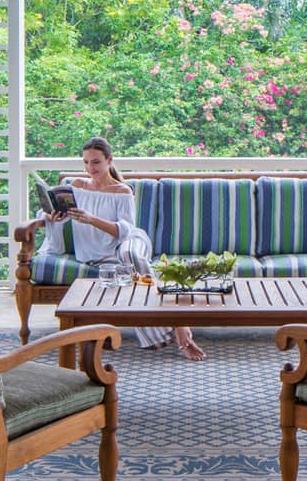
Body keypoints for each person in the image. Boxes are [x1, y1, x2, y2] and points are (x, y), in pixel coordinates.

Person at [37, 136, 206, 361]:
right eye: (86, 162)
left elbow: (125, 231)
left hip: (129, 241)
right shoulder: (76, 186)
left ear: (109, 160)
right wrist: (53, 216)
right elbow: (56, 216)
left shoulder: (122, 191)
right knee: (125, 272)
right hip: (98, 254)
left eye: (96, 162)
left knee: (129, 254)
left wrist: (91, 219)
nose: (90, 168)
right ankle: (175, 328)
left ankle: (178, 324)